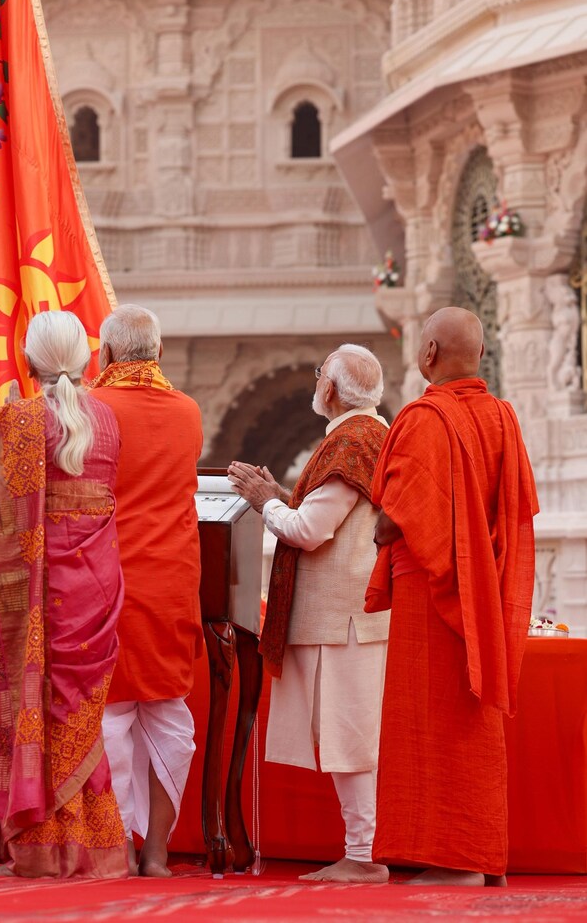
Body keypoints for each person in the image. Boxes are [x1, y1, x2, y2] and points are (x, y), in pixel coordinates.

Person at [366, 307, 538, 886]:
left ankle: (452, 860)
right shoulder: (504, 419)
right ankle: (477, 852)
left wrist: (381, 527)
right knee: (473, 715)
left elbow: (394, 518)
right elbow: (517, 511)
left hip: (430, 591)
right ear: (482, 356)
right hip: (482, 592)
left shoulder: (423, 417)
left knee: (426, 719)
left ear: (430, 353)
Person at [0, 311, 128, 880]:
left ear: (28, 363)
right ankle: (86, 846)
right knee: (75, 713)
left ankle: (38, 847)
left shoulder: (23, 421)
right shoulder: (106, 417)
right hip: (96, 587)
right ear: (88, 361)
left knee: (38, 704)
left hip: (40, 589)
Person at [228, 344, 390, 884]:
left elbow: (309, 531)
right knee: (351, 734)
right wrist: (278, 494)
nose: (317, 381)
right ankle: (362, 850)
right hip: (350, 614)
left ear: (333, 390)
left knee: (350, 737)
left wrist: (262, 502)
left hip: (343, 617)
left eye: (322, 374)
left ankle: (363, 856)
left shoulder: (351, 441)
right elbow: (320, 515)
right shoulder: (369, 434)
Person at [88, 305, 203, 878]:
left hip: (105, 583)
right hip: (173, 582)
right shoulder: (188, 412)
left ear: (106, 355)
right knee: (168, 715)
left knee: (108, 716)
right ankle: (156, 851)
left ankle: (115, 847)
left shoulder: (93, 409)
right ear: (157, 355)